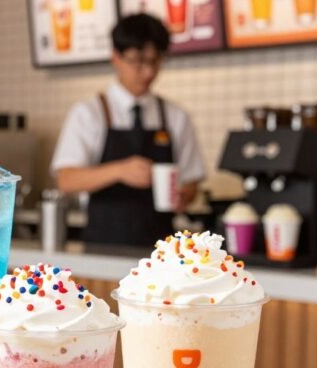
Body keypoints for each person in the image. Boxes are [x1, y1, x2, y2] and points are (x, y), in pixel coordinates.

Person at [51, 13, 206, 247]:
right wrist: (119, 170)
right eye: (137, 61)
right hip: (103, 246)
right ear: (115, 57)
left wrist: (185, 195)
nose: (147, 72)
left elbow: (192, 181)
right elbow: (66, 180)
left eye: (155, 61)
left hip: (162, 251)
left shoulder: (175, 116)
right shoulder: (89, 113)